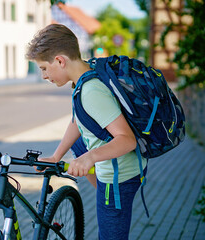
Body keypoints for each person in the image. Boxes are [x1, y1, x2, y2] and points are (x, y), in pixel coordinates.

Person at [26, 23, 147, 240]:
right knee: (78, 143)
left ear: (60, 61)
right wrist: (56, 156)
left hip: (118, 180)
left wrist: (89, 158)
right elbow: (77, 121)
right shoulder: (84, 75)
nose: (43, 75)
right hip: (115, 170)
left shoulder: (91, 91)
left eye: (44, 68)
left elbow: (127, 140)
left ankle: (104, 193)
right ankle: (101, 189)